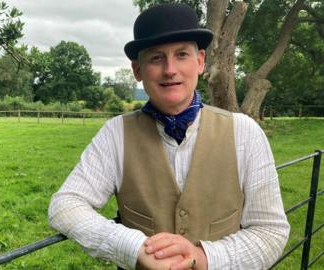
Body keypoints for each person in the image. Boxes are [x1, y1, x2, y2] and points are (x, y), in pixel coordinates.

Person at [48, 3, 290, 270]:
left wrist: (204, 257)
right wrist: (132, 246)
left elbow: (270, 232)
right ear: (138, 70)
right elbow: (65, 205)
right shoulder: (116, 134)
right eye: (156, 58)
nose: (170, 69)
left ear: (199, 62)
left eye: (181, 55)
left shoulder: (245, 132)